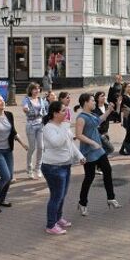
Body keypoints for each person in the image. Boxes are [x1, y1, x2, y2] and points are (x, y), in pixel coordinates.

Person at [41, 101, 86, 235]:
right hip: (53, 167)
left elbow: (70, 143)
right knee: (56, 196)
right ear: (55, 113)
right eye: (63, 111)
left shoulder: (63, 126)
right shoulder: (49, 128)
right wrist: (65, 126)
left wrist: (80, 156)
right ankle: (50, 225)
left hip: (65, 165)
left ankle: (58, 218)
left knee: (62, 195)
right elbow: (56, 143)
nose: (66, 113)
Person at [74, 93, 122, 215]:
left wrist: (109, 110)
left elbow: (99, 121)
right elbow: (79, 135)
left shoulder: (92, 114)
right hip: (89, 152)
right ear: (85, 102)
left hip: (99, 150)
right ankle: (82, 203)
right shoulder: (81, 118)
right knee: (89, 178)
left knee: (108, 170)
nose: (94, 102)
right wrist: (92, 143)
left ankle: (111, 198)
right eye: (92, 101)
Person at [23, 83, 47, 179]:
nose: (37, 91)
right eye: (34, 89)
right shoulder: (27, 99)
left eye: (38, 89)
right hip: (31, 126)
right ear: (30, 90)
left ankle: (38, 168)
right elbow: (25, 107)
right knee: (32, 148)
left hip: (40, 125)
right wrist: (25, 109)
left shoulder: (41, 100)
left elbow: (44, 112)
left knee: (41, 147)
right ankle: (29, 169)